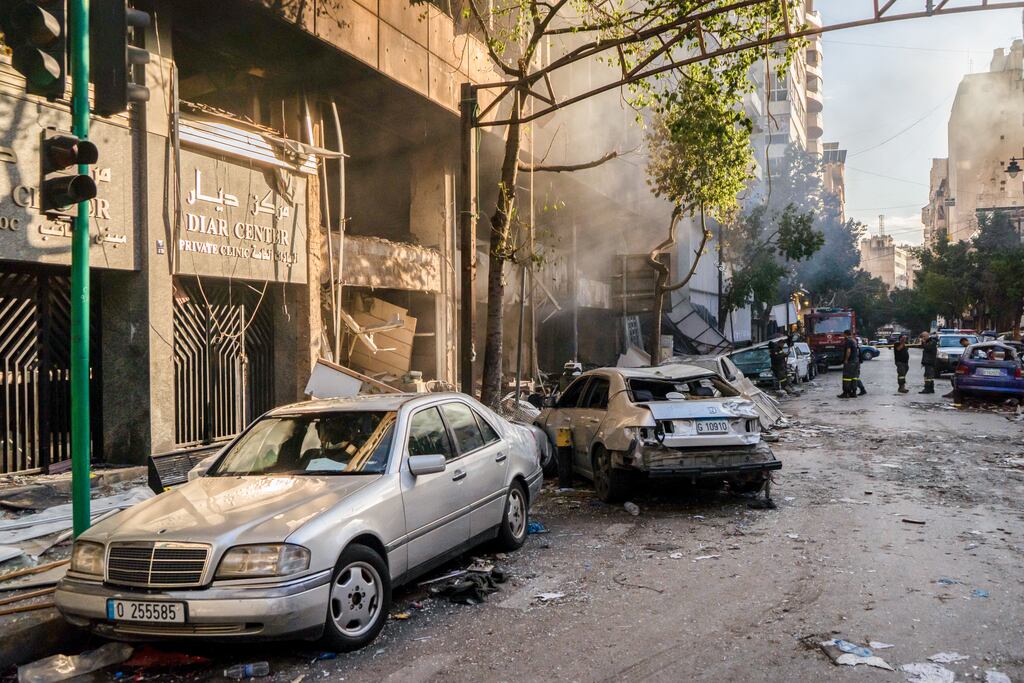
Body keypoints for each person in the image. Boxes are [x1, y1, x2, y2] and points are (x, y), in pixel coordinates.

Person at [837, 330, 859, 398]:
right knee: (854, 377)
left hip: (850, 362)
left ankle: (846, 393)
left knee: (846, 377)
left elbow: (848, 351)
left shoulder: (848, 341)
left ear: (845, 334)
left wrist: (846, 359)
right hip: (856, 361)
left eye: (843, 334)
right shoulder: (854, 340)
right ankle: (854, 392)